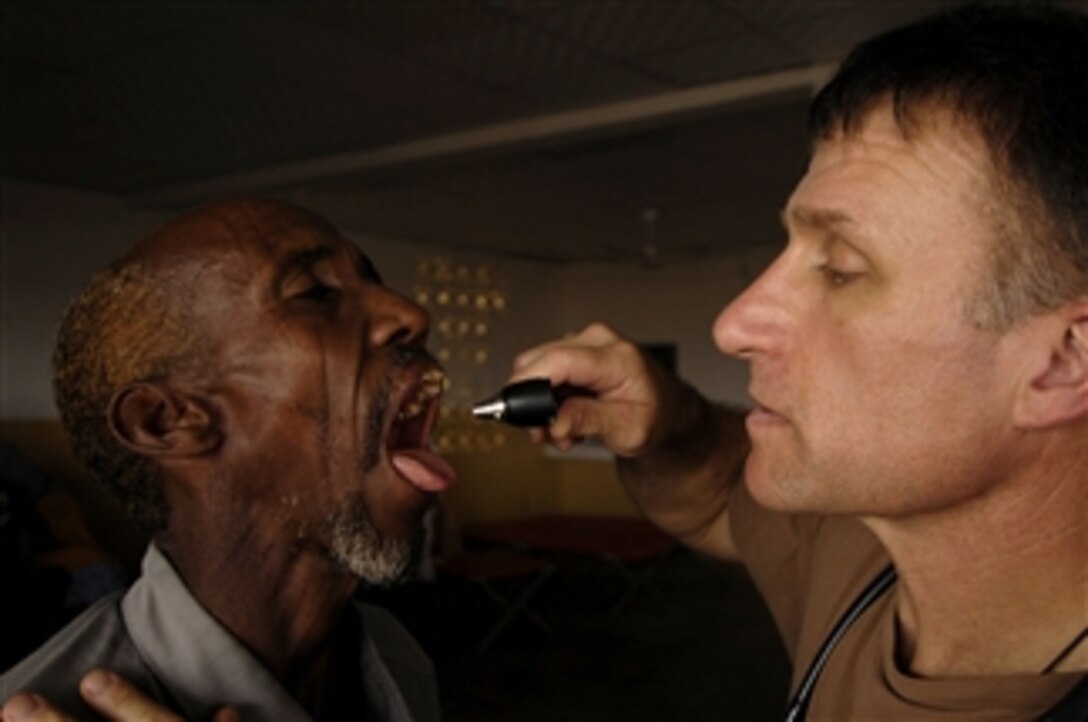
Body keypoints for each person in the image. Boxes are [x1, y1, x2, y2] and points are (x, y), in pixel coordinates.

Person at [516, 4, 1088, 720]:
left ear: (1064, 361)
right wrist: (669, 423)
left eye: (843, 269)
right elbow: (723, 490)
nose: (732, 326)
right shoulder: (860, 550)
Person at [1, 198, 456, 721]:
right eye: (314, 294)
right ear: (165, 421)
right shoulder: (40, 707)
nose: (410, 314)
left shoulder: (396, 660)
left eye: (372, 281)